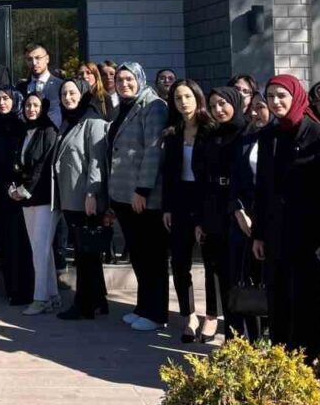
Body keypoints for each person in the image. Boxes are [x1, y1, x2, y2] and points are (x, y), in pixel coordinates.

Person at [252, 74, 320, 360]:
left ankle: (314, 364)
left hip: (309, 236)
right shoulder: (269, 135)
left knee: (309, 303)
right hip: (277, 235)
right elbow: (263, 188)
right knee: (279, 302)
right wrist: (259, 234)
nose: (275, 102)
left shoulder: (319, 134)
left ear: (296, 97)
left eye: (281, 96)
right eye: (271, 96)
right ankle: (283, 363)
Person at [194, 86, 261, 340]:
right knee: (223, 275)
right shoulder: (211, 135)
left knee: (245, 276)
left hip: (241, 211)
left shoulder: (250, 133)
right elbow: (201, 178)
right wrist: (200, 219)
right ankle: (233, 338)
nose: (218, 110)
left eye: (223, 104)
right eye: (213, 106)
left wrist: (242, 209)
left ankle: (256, 338)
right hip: (214, 209)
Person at [107, 62, 169, 332]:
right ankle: (143, 306)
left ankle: (156, 313)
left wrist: (142, 190)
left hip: (143, 197)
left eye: (129, 79)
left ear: (140, 79)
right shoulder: (124, 106)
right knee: (139, 256)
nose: (124, 84)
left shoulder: (153, 105)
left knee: (152, 256)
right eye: (120, 79)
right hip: (122, 194)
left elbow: (153, 150)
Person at [159, 79, 218, 343]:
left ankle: (212, 316)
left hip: (205, 199)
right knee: (180, 262)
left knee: (210, 262)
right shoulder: (172, 132)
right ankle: (188, 316)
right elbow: (168, 174)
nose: (183, 102)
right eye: (178, 98)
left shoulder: (210, 129)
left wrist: (205, 214)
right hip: (179, 199)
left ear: (197, 97)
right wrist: (168, 207)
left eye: (188, 96)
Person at [52, 79, 112, 321]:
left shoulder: (93, 122)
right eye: (64, 93)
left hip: (84, 198)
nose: (68, 97)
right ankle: (98, 300)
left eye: (73, 92)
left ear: (84, 93)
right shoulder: (70, 121)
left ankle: (84, 305)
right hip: (70, 197)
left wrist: (92, 194)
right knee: (85, 252)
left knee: (85, 256)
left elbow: (97, 162)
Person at [9, 90, 62, 314]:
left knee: (40, 249)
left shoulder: (48, 130)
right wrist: (13, 187)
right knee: (40, 249)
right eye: (28, 105)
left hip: (44, 198)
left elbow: (42, 166)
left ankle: (39, 298)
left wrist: (24, 189)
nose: (31, 109)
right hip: (26, 198)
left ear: (43, 108)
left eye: (35, 105)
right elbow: (18, 162)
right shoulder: (24, 131)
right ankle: (53, 295)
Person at [0, 88, 27, 304]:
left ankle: (20, 288)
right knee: (4, 240)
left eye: (6, 99)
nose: (2, 103)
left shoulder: (22, 126)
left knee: (18, 241)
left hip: (17, 191)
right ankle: (10, 287)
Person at [20, 43, 63, 127]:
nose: (34, 62)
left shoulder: (60, 86)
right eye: (29, 59)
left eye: (38, 58)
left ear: (47, 59)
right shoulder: (20, 88)